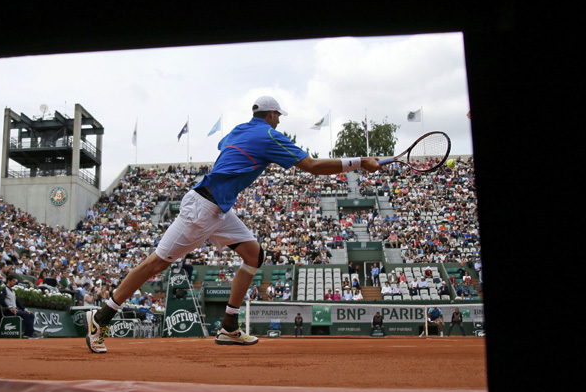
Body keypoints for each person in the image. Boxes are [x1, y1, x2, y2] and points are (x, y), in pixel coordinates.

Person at [84, 95, 380, 353]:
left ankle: (228, 325)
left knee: (253, 254)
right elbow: (312, 167)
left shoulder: (240, 130)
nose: (278, 121)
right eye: (277, 116)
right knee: (155, 265)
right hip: (202, 211)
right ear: (272, 115)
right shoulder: (269, 135)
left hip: (218, 209)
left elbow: (225, 146)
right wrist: (360, 161)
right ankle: (101, 319)